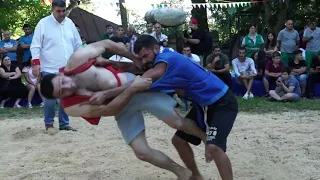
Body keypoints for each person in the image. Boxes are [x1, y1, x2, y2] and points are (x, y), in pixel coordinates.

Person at [40, 39, 207, 180]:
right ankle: (181, 172)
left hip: (135, 84)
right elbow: (109, 110)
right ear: (59, 98)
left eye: (63, 83)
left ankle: (206, 139)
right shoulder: (71, 107)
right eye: (62, 92)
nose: (67, 87)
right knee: (141, 152)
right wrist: (130, 90)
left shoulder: (76, 61)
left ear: (60, 75)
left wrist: (133, 58)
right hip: (121, 104)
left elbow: (106, 44)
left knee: (176, 122)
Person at [133, 34, 238, 180]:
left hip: (222, 102)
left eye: (145, 55)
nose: (144, 60)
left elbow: (137, 85)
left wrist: (106, 93)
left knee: (214, 147)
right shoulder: (165, 54)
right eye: (141, 58)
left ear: (156, 49)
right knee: (178, 141)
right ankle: (196, 176)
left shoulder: (165, 62)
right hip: (204, 105)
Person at [30, 0, 81, 131]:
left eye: (64, 11)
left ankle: (64, 124)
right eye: (59, 11)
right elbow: (35, 45)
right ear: (52, 10)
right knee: (50, 98)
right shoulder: (43, 24)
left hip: (68, 67)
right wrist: (36, 64)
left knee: (66, 96)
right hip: (49, 67)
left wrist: (81, 60)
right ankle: (49, 124)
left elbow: (77, 44)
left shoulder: (69, 24)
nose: (62, 13)